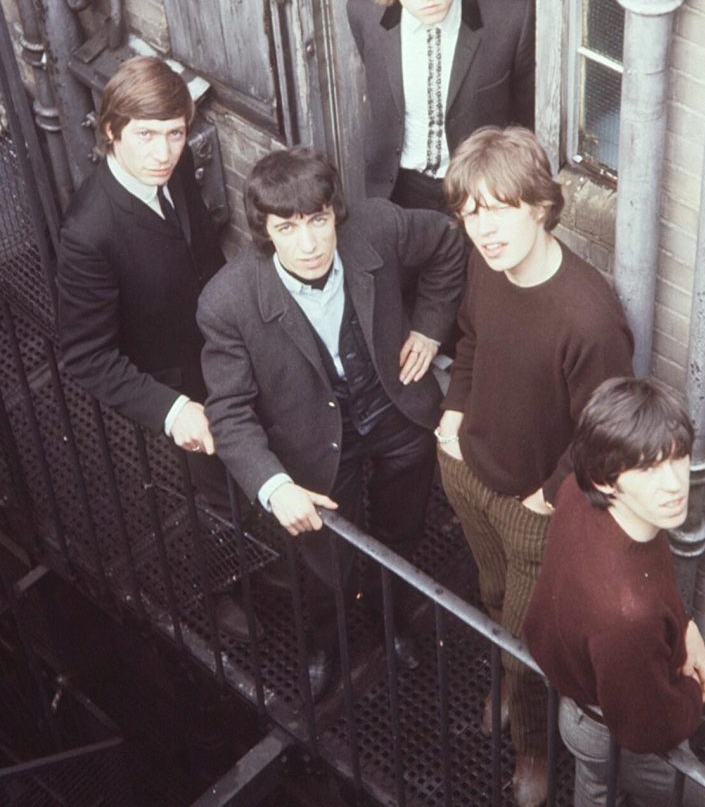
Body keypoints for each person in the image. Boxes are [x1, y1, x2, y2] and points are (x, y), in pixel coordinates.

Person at [197, 146, 465, 699]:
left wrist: (430, 327)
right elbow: (228, 410)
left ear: (335, 213)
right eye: (288, 227)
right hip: (311, 445)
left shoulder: (378, 226)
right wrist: (274, 487)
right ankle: (327, 643)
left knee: (400, 533)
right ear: (265, 231)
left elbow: (448, 243)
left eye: (319, 221)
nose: (311, 242)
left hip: (393, 412)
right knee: (326, 560)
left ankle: (391, 625)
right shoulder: (227, 302)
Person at [436, 126, 634, 807]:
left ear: (541, 206)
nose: (483, 231)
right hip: (469, 473)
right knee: (492, 602)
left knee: (528, 643)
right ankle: (507, 689)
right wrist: (454, 415)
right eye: (470, 213)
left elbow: (602, 433)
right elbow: (467, 338)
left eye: (499, 208)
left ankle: (532, 753)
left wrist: (547, 497)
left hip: (531, 509)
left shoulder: (589, 319)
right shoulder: (485, 269)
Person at [56, 56, 255, 641]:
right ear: (112, 131)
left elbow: (202, 254)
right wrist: (172, 409)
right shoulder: (89, 233)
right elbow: (87, 357)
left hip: (214, 352)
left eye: (175, 133)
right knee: (204, 498)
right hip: (166, 386)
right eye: (146, 135)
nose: (163, 151)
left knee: (241, 475)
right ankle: (218, 590)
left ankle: (257, 563)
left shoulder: (174, 168)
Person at [523, 376, 705, 807]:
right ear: (607, 479)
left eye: (679, 458)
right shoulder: (628, 617)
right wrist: (692, 696)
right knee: (697, 798)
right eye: (648, 468)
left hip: (579, 704)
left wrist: (685, 627)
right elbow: (648, 729)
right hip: (612, 724)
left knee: (595, 788)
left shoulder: (581, 492)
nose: (674, 485)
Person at [347, 0, 534, 213]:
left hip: (479, 190)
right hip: (397, 188)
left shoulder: (512, 18)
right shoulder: (363, 11)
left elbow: (527, 120)